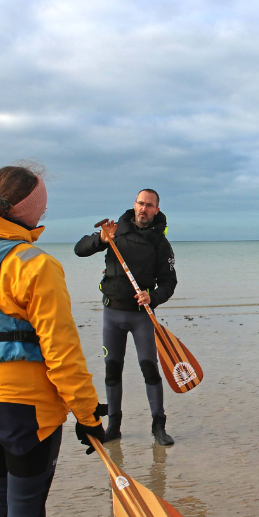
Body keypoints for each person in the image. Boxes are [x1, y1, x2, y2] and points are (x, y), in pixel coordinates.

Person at [0, 165, 106, 517]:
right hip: (24, 411)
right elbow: (62, 353)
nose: (46, 209)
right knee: (26, 503)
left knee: (1, 491)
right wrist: (88, 415)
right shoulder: (35, 263)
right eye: (43, 202)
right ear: (29, 208)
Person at [74, 189, 176, 446]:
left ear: (156, 210)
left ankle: (158, 426)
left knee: (149, 369)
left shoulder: (160, 243)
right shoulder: (114, 231)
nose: (144, 209)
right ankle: (114, 426)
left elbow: (169, 282)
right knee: (112, 371)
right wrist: (101, 239)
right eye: (141, 203)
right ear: (134, 205)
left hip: (142, 316)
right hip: (112, 314)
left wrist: (153, 297)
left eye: (149, 205)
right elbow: (79, 249)